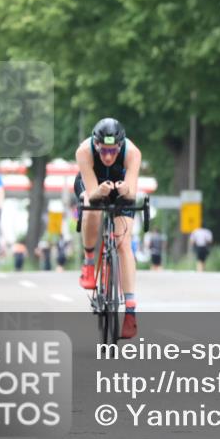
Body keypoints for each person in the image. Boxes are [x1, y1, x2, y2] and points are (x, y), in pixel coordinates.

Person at [75, 117, 143, 339]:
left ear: (120, 146)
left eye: (112, 151)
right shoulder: (84, 151)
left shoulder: (132, 153)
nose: (107, 156)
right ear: (96, 145)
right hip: (93, 186)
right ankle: (88, 260)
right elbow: (92, 194)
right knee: (91, 206)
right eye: (103, 150)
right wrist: (99, 193)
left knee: (123, 242)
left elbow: (132, 193)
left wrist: (125, 192)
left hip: (120, 187)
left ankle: (131, 312)